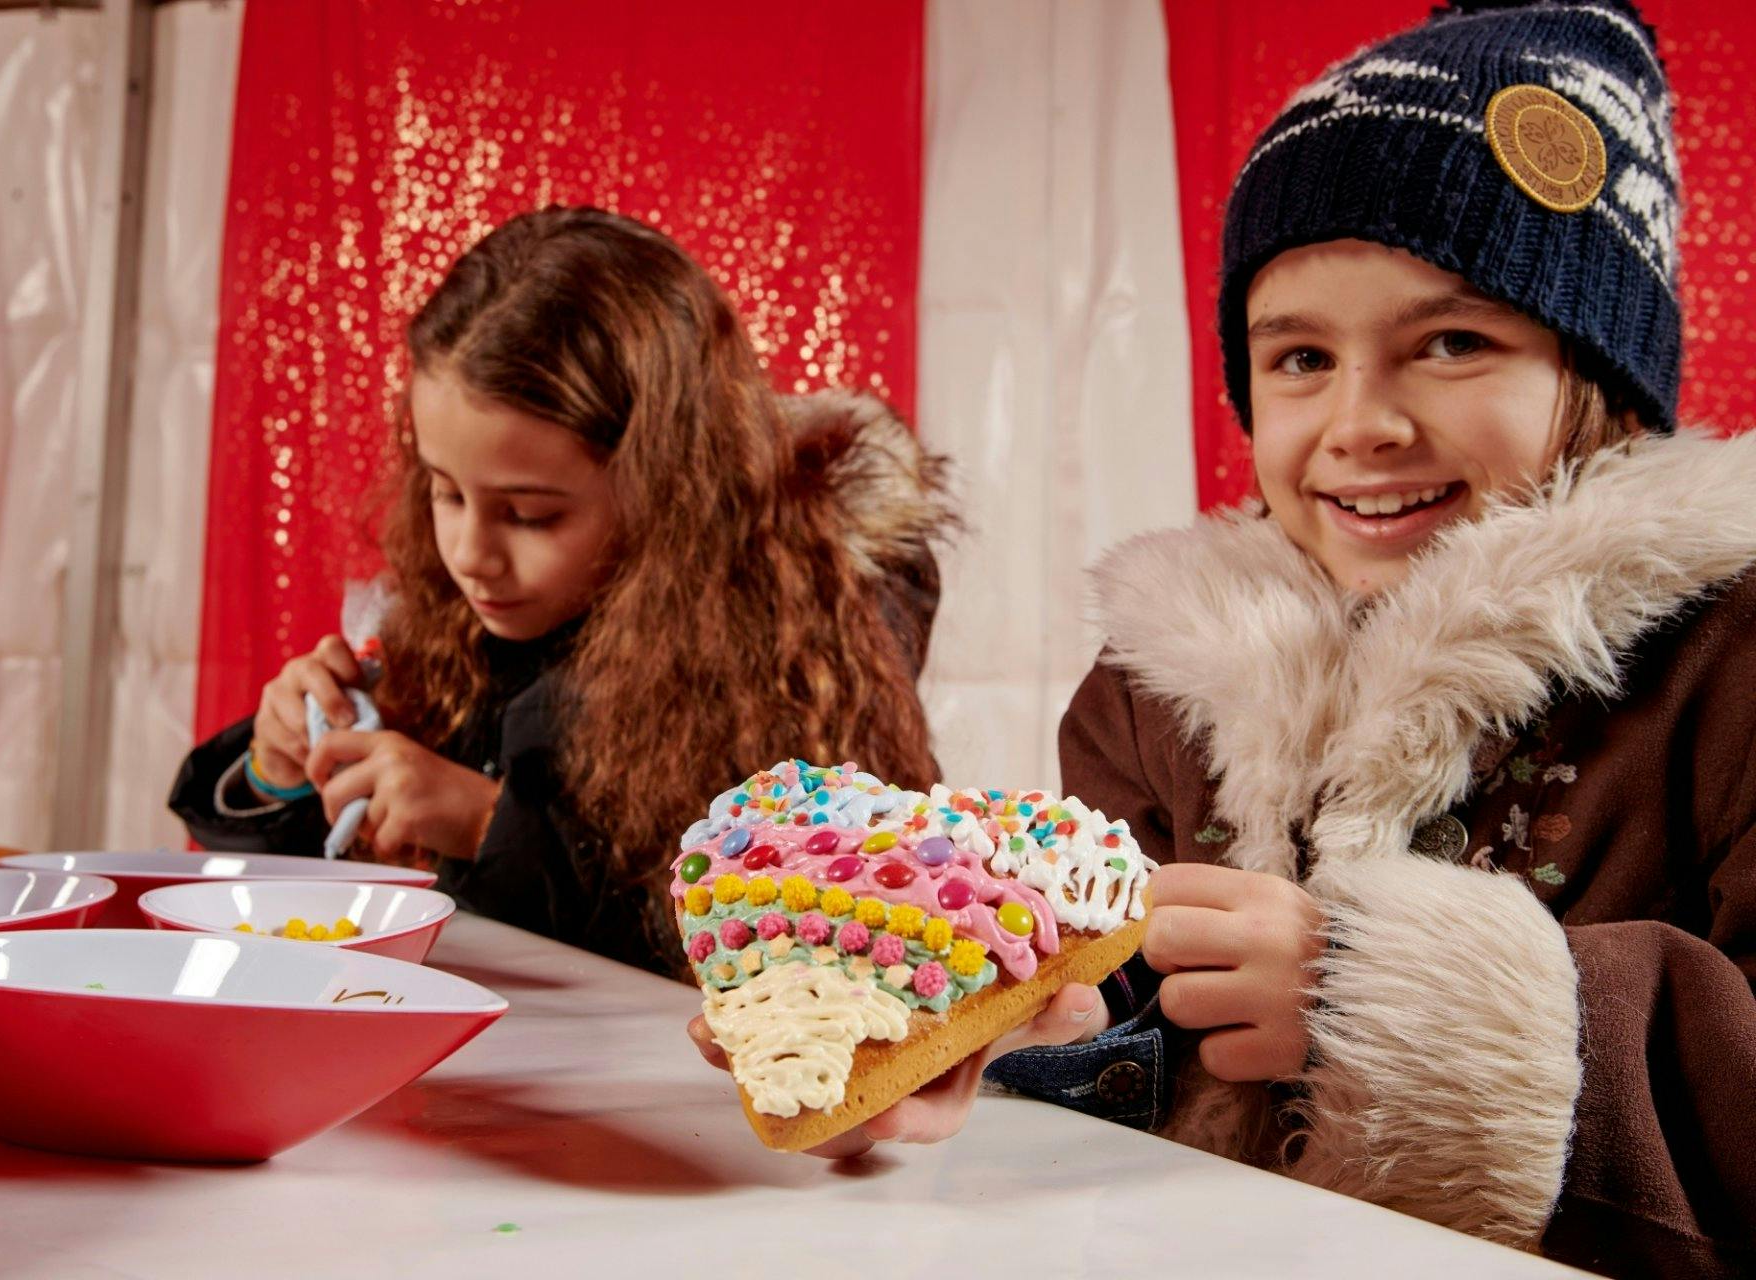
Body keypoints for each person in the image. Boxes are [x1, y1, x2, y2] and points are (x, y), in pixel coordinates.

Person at [691, 3, 1756, 1273]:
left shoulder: (1724, 657)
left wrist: (1397, 1004)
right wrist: (1007, 1026)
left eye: (1454, 342)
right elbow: (1136, 1013)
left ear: (1606, 382)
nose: (1359, 421)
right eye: (1300, 356)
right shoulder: (1163, 685)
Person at [170, 206, 954, 977]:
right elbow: (310, 918)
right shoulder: (464, 617)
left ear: (662, 486)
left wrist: (488, 827)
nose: (469, 556)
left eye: (529, 514)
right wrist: (281, 774)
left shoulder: (801, 631)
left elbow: (813, 946)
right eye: (444, 493)